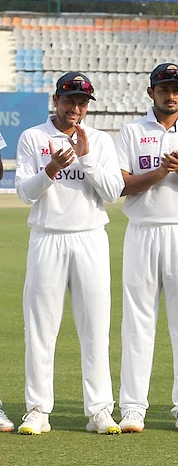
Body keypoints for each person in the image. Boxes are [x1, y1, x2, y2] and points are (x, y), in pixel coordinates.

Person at [15, 72, 125, 435]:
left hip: (90, 237)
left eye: (82, 102)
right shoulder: (34, 137)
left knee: (95, 327)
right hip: (47, 237)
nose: (75, 108)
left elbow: (113, 192)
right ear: (56, 101)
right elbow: (26, 193)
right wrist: (51, 169)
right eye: (69, 100)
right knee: (40, 327)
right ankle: (37, 409)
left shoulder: (99, 140)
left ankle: (99, 411)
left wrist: (87, 158)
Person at [114, 64, 178, 435]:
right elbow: (122, 186)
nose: (170, 94)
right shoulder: (131, 132)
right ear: (151, 92)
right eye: (164, 88)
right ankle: (132, 407)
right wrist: (160, 173)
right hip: (142, 231)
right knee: (137, 322)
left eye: (177, 88)